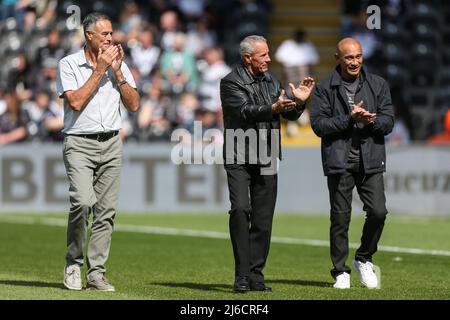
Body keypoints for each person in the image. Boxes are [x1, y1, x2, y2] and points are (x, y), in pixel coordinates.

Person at [220, 35, 314, 292]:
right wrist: (274, 107)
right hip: (239, 154)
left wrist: (300, 102)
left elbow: (287, 113)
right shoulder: (230, 81)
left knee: (263, 219)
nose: (269, 59)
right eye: (263, 55)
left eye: (268, 54)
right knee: (240, 210)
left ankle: (255, 276)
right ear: (248, 57)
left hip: (267, 155)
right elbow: (245, 111)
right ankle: (241, 275)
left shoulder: (272, 79)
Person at [56, 12, 140, 291]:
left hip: (112, 142)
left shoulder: (118, 65)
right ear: (88, 35)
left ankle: (96, 274)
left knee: (106, 212)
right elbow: (76, 102)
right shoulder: (68, 64)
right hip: (79, 142)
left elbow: (134, 104)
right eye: (104, 34)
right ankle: (73, 262)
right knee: (82, 202)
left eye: (112, 33)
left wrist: (117, 71)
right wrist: (101, 70)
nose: (110, 38)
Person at [310, 38, 394, 289]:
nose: (355, 61)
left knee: (379, 212)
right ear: (338, 58)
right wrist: (349, 119)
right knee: (340, 218)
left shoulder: (378, 84)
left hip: (371, 159)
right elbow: (318, 126)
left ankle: (364, 258)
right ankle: (340, 271)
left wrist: (370, 121)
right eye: (349, 57)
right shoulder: (325, 88)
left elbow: (388, 122)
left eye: (358, 56)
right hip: (339, 160)